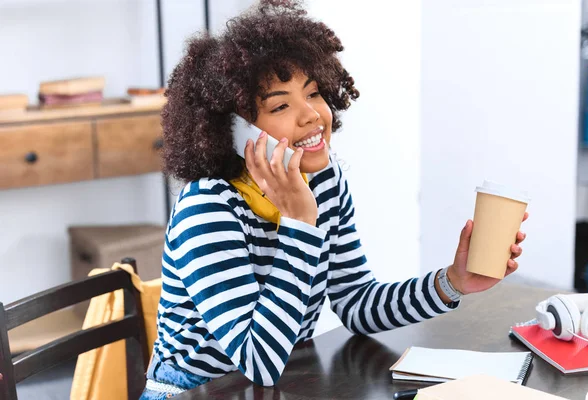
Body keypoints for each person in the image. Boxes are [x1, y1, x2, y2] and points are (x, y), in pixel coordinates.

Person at [140, 1, 528, 398]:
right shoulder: (207, 209)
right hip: (194, 392)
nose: (312, 115)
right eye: (280, 105)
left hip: (283, 385)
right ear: (236, 131)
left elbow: (357, 303)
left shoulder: (323, 180)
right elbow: (259, 360)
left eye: (313, 93)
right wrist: (300, 223)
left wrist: (452, 282)